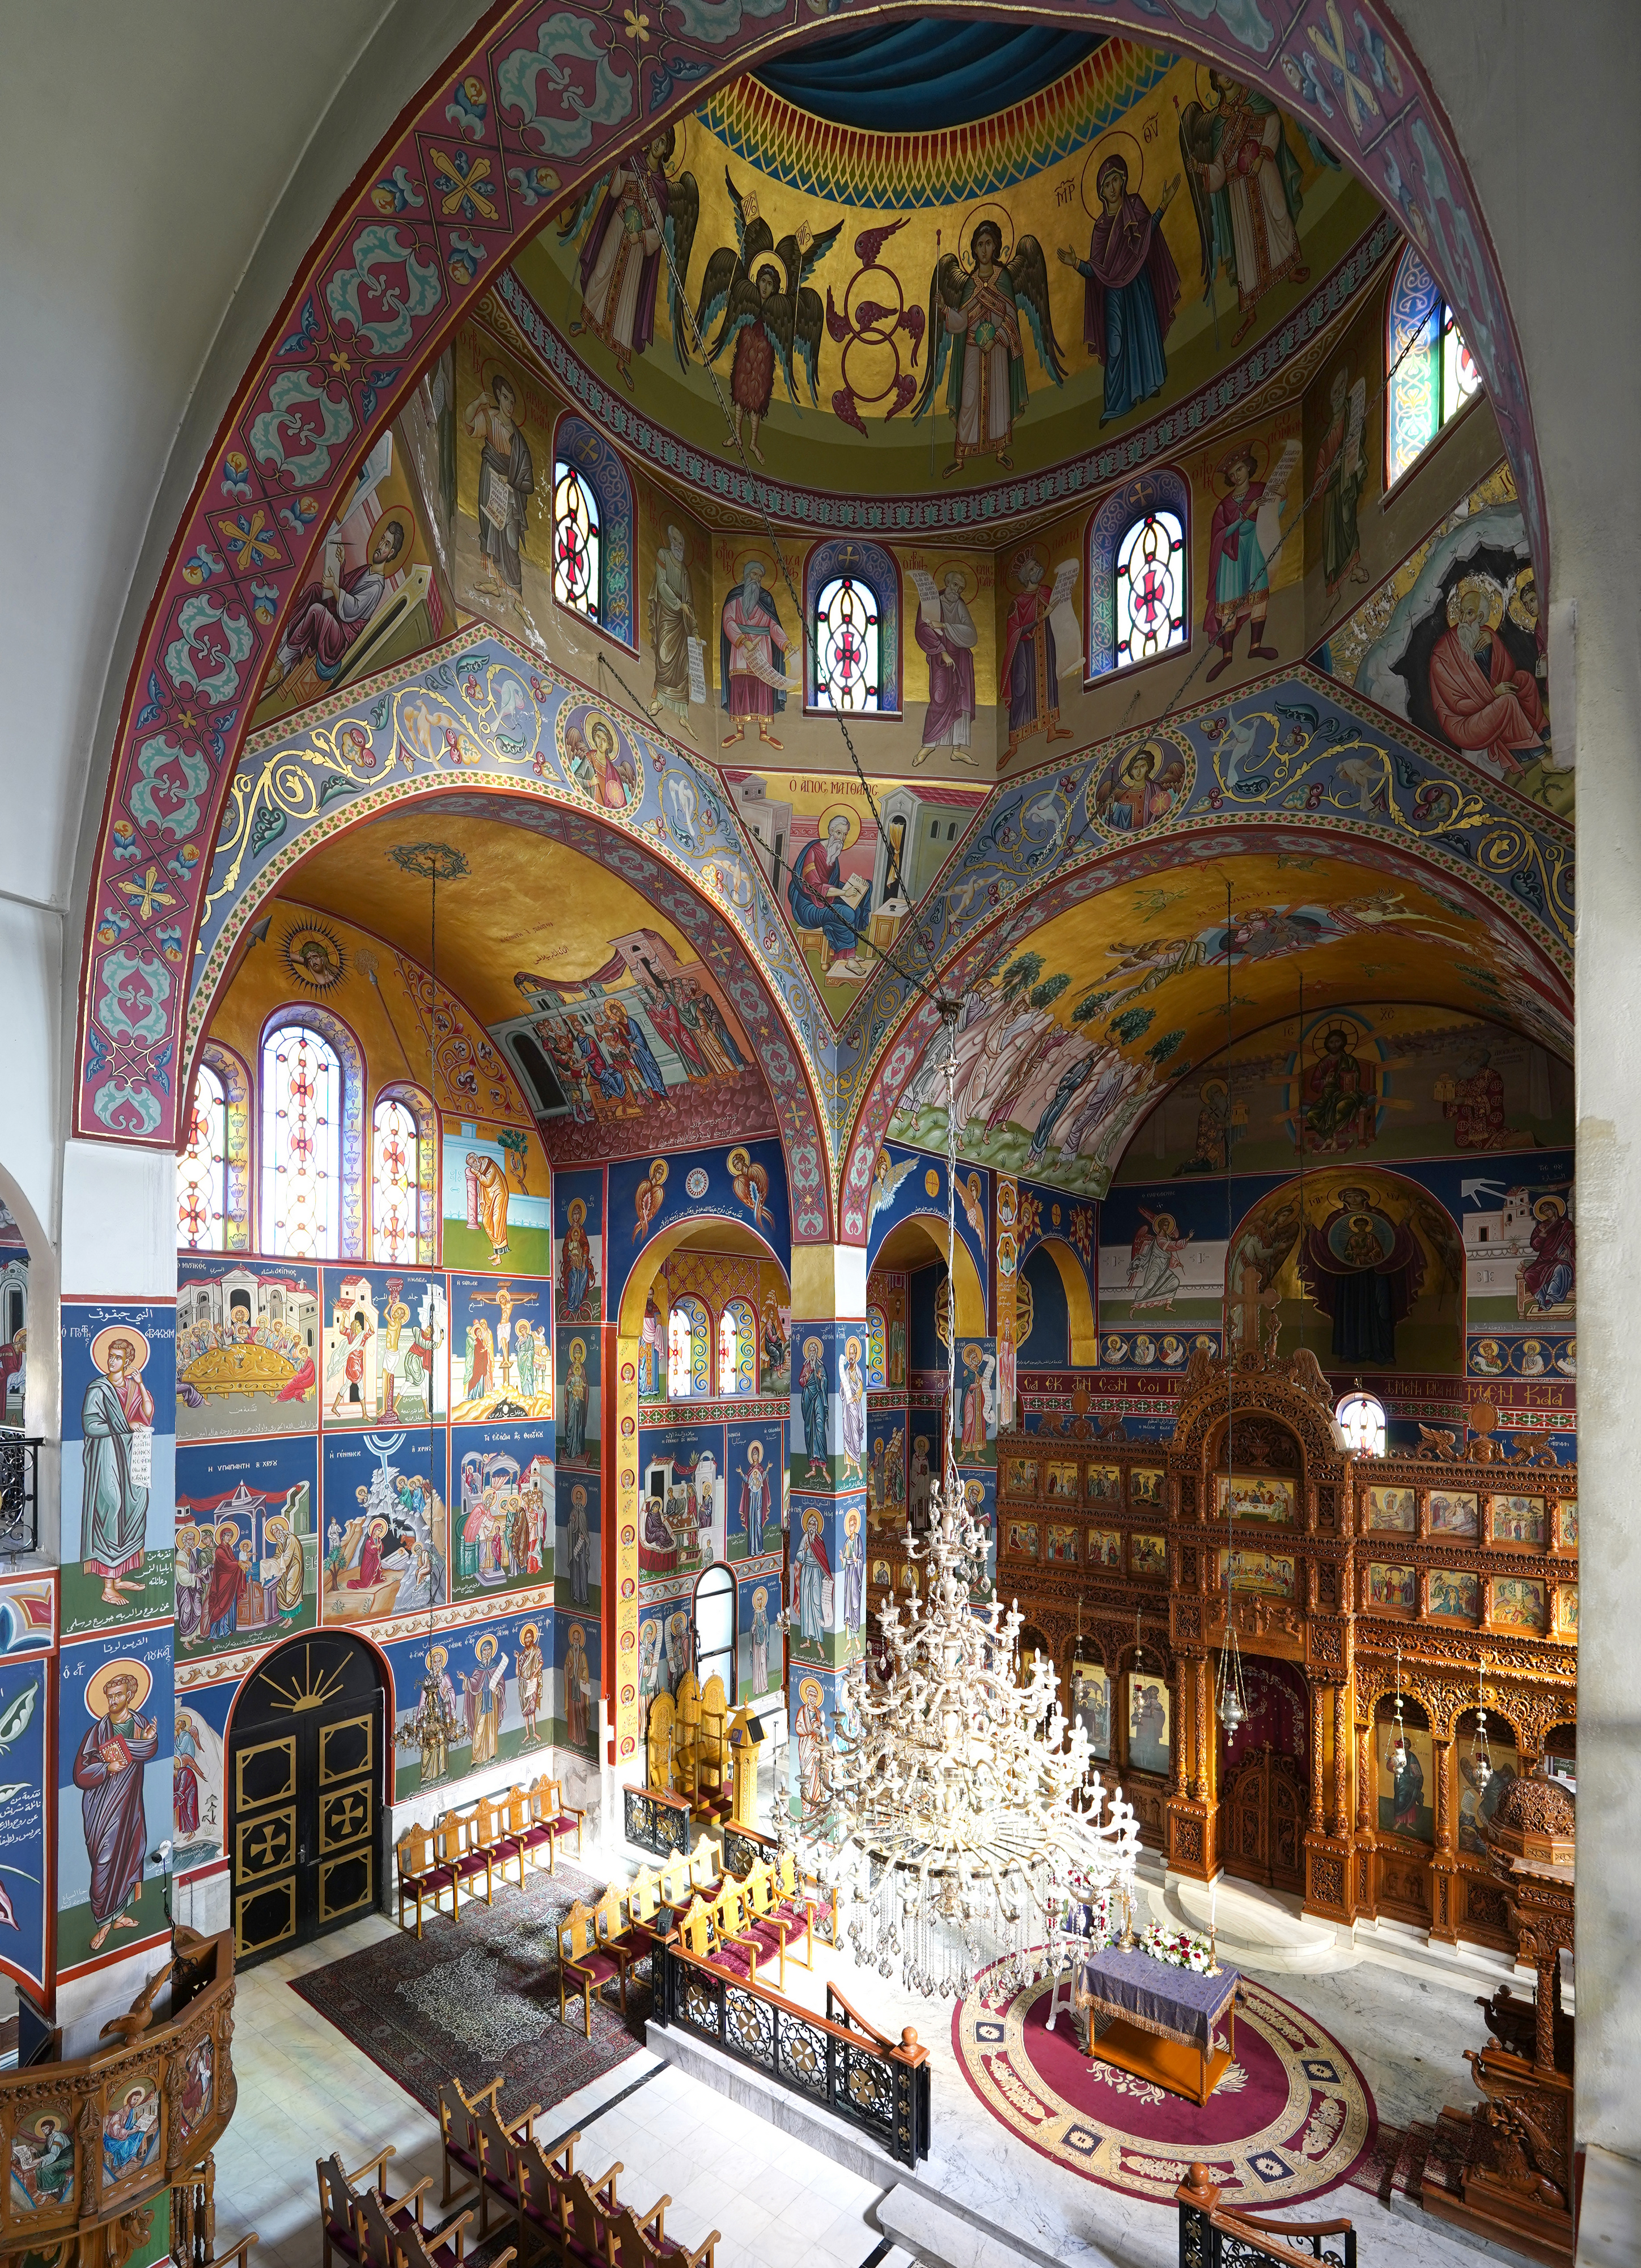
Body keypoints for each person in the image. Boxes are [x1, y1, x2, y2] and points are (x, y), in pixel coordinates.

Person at [1058, 153, 1182, 422]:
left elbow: (1149, 231)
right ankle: (1116, 404)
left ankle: (1149, 386)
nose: (1113, 188)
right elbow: (1096, 270)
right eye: (1107, 184)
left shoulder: (1135, 205)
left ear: (1124, 181)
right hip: (1113, 294)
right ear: (1101, 192)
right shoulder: (1100, 227)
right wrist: (1075, 263)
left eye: (1116, 181)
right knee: (1116, 344)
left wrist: (1164, 203)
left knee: (1143, 332)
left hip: (1138, 284)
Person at [571, 133, 675, 387]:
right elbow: (616, 189)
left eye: (663, 144)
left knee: (628, 298)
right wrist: (622, 161)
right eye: (657, 139)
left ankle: (621, 360)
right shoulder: (635, 161)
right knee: (602, 269)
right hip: (618, 225)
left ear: (666, 151)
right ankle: (586, 322)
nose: (657, 145)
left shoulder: (662, 186)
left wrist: (641, 236)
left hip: (636, 244)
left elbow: (659, 231)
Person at [1427, 576, 1550, 777]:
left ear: (1482, 616)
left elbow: (1508, 672)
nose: (1463, 619)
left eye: (1470, 613)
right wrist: (1494, 693)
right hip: (1465, 723)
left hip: (1488, 706)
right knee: (1508, 700)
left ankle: (1542, 733)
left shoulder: (1486, 634)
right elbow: (1458, 705)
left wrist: (1494, 642)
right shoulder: (1442, 655)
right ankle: (1543, 758)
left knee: (1524, 681)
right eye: (1461, 612)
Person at [73, 1664, 158, 1952]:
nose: (112, 1702)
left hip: (130, 1807)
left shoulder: (139, 1724)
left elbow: (146, 1750)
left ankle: (118, 1917)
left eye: (118, 1695)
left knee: (131, 1854)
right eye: (109, 1696)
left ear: (130, 1696)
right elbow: (80, 1775)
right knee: (105, 1862)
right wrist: (107, 1767)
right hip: (102, 1810)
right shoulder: (97, 1733)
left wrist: (148, 1740)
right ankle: (103, 1922)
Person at [270, 515, 406, 689]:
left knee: (317, 611)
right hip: (336, 622)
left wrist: (334, 587)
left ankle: (282, 663)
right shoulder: (367, 570)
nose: (380, 547)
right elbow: (345, 588)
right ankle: (284, 640)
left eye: (387, 545)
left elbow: (352, 610)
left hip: (339, 640)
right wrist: (342, 564)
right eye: (382, 540)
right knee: (315, 590)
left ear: (392, 553)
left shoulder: (377, 586)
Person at [80, 1334, 154, 1607]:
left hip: (133, 1453)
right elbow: (90, 1426)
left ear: (128, 1362)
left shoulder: (133, 1387)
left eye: (118, 1358)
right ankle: (107, 1586)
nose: (112, 1361)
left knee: (136, 1506)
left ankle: (119, 1575)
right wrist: (123, 1427)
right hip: (107, 1455)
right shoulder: (97, 1389)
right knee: (112, 1506)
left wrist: (142, 1386)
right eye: (110, 1356)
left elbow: (147, 1415)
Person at [464, 374, 536, 621]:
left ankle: (517, 596)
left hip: (510, 491)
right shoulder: (491, 419)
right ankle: (494, 581)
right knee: (491, 528)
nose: (509, 405)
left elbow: (528, 479)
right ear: (497, 397)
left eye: (513, 401)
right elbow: (469, 424)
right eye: (505, 398)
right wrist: (477, 402)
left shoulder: (519, 438)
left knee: (511, 541)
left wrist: (511, 481)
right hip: (491, 478)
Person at [1204, 447, 1279, 681]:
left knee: (1259, 594)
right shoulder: (1224, 506)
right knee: (1229, 604)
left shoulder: (1261, 490)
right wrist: (1246, 515)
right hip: (1231, 555)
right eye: (1232, 473)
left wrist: (1281, 496)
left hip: (1254, 546)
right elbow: (1219, 535)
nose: (1236, 476)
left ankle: (1255, 646)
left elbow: (1274, 513)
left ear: (1248, 466)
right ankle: (1227, 655)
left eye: (1239, 469)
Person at [1001, 550, 1069, 761]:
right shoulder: (1017, 603)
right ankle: (1013, 745)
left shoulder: (1047, 591)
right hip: (1025, 653)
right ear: (1025, 576)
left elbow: (1062, 615)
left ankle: (1051, 730)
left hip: (1046, 648)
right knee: (1021, 692)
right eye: (1032, 569)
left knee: (1049, 686)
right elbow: (1014, 632)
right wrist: (1042, 617)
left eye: (1037, 565)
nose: (1037, 570)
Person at [787, 811, 871, 981]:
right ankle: (848, 960)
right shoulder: (814, 852)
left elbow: (832, 883)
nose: (841, 838)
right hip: (807, 906)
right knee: (846, 913)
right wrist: (844, 892)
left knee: (861, 895)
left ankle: (850, 953)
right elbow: (814, 887)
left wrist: (856, 887)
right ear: (831, 831)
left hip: (822, 901)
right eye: (839, 833)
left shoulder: (832, 854)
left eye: (845, 834)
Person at [719, 560, 791, 748]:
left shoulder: (766, 599)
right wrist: (743, 641)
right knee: (740, 687)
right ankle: (739, 732)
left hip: (763, 650)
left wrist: (786, 644)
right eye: (754, 575)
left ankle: (764, 733)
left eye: (760, 577)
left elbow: (773, 626)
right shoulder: (734, 598)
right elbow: (728, 621)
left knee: (763, 688)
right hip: (741, 648)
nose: (757, 580)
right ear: (746, 575)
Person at [913, 570, 979, 765]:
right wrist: (941, 651)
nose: (957, 591)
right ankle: (929, 744)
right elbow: (922, 629)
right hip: (941, 659)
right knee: (940, 695)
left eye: (961, 588)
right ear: (947, 582)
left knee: (960, 699)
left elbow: (972, 634)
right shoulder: (932, 603)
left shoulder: (960, 605)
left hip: (961, 660)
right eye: (954, 585)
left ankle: (956, 749)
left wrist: (944, 625)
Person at [649, 523, 698, 733]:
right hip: (667, 614)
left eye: (682, 543)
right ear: (670, 541)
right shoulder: (663, 555)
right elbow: (661, 584)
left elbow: (691, 602)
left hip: (682, 621)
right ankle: (658, 699)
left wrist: (695, 630)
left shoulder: (685, 571)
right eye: (676, 542)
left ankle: (684, 713)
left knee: (683, 665)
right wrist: (678, 605)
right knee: (664, 655)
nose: (679, 546)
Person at [464, 1150, 511, 1264]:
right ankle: (496, 1250)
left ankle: (499, 1257)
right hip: (489, 1197)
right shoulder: (478, 1169)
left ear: (477, 1157)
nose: (474, 1165)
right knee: (486, 1222)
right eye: (472, 1164)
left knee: (496, 1221)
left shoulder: (488, 1163)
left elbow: (487, 1182)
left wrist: (476, 1173)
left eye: (474, 1161)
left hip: (499, 1194)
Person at [793, 1510, 831, 1645]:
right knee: (805, 1604)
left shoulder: (820, 1540)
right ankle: (808, 1640)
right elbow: (798, 1556)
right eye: (810, 1524)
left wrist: (826, 1575)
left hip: (816, 1573)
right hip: (806, 1573)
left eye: (814, 1524)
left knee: (816, 1603)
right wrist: (804, 1550)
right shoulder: (805, 1539)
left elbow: (823, 1560)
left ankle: (819, 1641)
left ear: (817, 1526)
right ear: (808, 1525)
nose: (812, 1526)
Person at [799, 1336, 829, 1478]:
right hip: (808, 1401)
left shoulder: (821, 1367)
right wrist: (807, 1377)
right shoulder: (806, 1367)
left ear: (817, 1352)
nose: (812, 1353)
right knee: (810, 1431)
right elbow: (801, 1381)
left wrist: (819, 1378)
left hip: (818, 1399)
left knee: (820, 1429)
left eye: (814, 1350)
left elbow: (825, 1380)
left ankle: (824, 1469)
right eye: (810, 1350)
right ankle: (813, 1467)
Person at [562, 1338, 590, 1462]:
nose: (578, 1355)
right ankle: (570, 1450)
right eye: (576, 1352)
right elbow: (567, 1385)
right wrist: (572, 1389)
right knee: (571, 1424)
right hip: (573, 1401)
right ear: (573, 1354)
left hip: (581, 1402)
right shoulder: (571, 1368)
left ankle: (578, 1450)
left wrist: (583, 1387)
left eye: (579, 1352)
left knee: (579, 1425)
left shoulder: (582, 1368)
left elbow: (586, 1385)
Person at [568, 1485, 591, 1606]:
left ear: (582, 1499)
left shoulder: (583, 1513)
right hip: (575, 1545)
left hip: (582, 1546)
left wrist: (584, 1536)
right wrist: (572, 1523)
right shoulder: (573, 1512)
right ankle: (576, 1596)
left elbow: (586, 1528)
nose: (578, 1500)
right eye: (576, 1498)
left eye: (579, 1498)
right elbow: (570, 1527)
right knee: (576, 1571)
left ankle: (585, 1598)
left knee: (583, 1570)